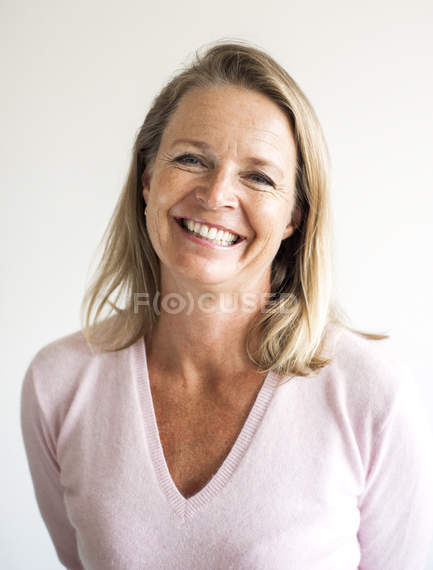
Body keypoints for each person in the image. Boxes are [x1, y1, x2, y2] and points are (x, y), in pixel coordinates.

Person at [21, 41, 433, 570]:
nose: (217, 195)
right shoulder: (57, 386)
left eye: (259, 177)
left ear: (293, 218)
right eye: (191, 159)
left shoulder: (371, 396)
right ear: (148, 180)